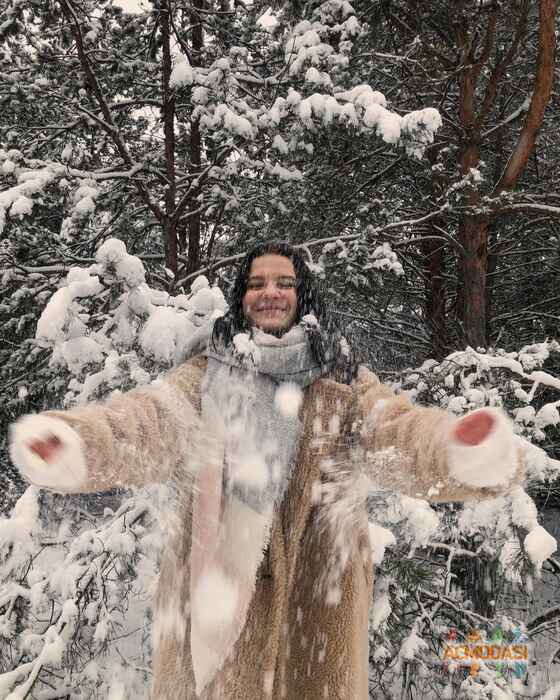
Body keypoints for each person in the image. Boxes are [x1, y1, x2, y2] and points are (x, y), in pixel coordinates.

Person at [9, 241, 522, 700]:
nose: (269, 293)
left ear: (305, 296)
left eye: (283, 282)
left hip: (319, 617)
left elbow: (398, 433)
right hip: (214, 627)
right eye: (256, 284)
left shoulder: (343, 381)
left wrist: (460, 451)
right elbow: (147, 422)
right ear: (241, 298)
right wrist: (79, 441)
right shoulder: (206, 375)